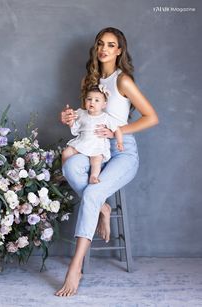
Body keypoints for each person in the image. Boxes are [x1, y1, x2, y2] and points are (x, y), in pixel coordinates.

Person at [55, 27, 159, 297]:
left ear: (119, 50)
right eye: (101, 44)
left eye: (111, 45)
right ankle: (102, 207)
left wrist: (120, 131)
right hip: (92, 149)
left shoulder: (123, 81)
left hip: (122, 153)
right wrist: (70, 119)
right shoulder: (89, 79)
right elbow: (87, 120)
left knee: (91, 191)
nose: (104, 49)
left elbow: (151, 117)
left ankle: (74, 267)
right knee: (68, 165)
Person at [62, 84, 123, 184]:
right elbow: (73, 123)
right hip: (82, 142)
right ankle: (65, 173)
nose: (92, 102)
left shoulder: (105, 118)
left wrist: (120, 142)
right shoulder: (81, 113)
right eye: (89, 99)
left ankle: (93, 177)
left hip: (96, 145)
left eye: (97, 100)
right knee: (66, 153)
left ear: (104, 105)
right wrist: (70, 116)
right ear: (85, 101)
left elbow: (117, 130)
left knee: (96, 161)